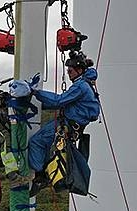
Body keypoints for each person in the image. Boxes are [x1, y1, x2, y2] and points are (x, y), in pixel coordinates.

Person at [28, 51, 100, 195]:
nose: (68, 74)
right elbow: (62, 103)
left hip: (66, 125)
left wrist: (35, 93)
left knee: (36, 142)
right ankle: (44, 172)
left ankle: (40, 175)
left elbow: (58, 101)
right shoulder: (86, 85)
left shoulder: (80, 86)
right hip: (71, 127)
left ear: (79, 70)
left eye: (70, 71)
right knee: (48, 148)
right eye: (67, 71)